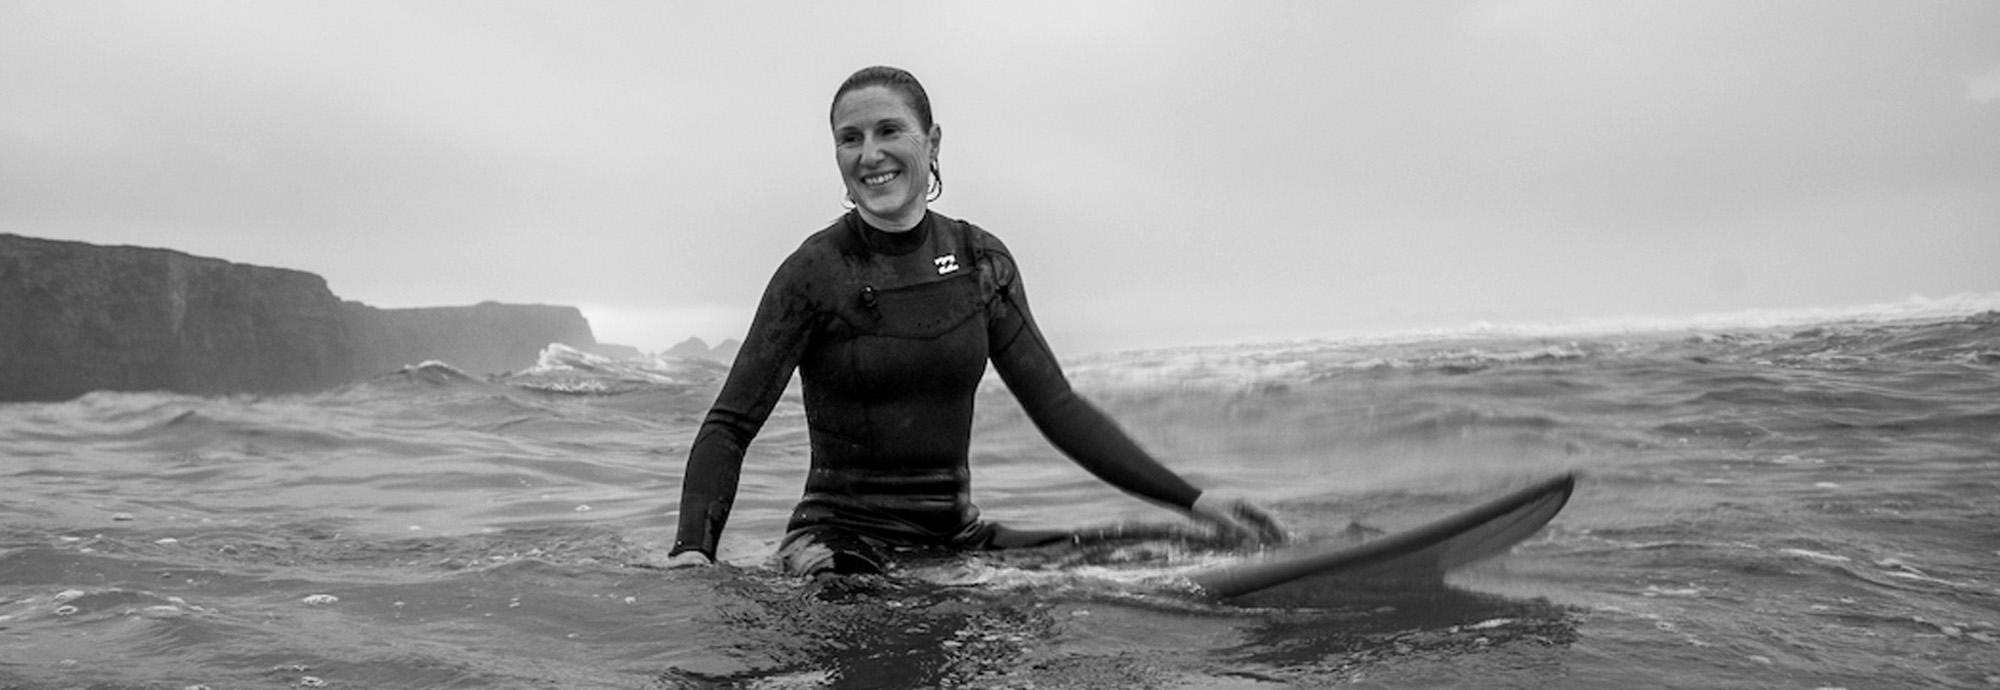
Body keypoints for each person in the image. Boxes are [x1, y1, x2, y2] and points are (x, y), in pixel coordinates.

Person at [663, 66, 1286, 575]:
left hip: (956, 541)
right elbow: (730, 425)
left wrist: (1196, 502)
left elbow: (1058, 408)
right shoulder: (816, 272)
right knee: (867, 614)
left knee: (1178, 550)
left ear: (932, 142)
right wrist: (694, 550)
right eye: (849, 139)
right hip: (839, 549)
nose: (869, 154)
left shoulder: (980, 261)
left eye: (888, 131)